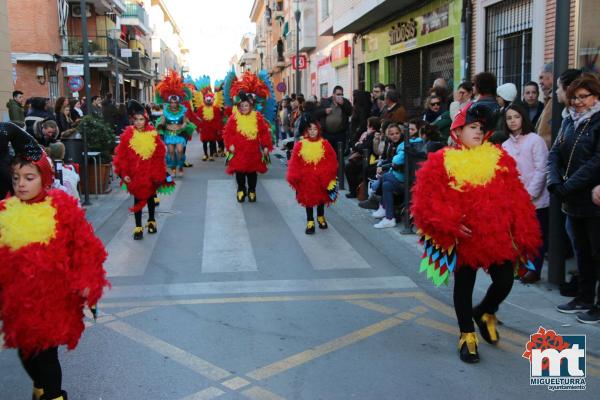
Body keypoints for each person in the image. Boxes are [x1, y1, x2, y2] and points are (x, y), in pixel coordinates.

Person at [411, 102, 540, 363]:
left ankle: (484, 312)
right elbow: (425, 204)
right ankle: (467, 335)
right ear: (457, 132)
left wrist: (521, 229)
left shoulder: (499, 158)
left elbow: (517, 197)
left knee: (504, 281)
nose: (478, 131)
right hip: (463, 238)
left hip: (495, 236)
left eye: (481, 127)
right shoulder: (442, 161)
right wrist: (450, 223)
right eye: (472, 126)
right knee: (464, 283)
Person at [0, 122, 109, 400]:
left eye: (28, 177)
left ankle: (54, 395)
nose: (21, 184)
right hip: (17, 300)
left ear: (44, 178)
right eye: (16, 178)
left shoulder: (61, 208)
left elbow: (85, 249)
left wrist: (89, 284)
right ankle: (40, 387)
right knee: (26, 352)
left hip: (53, 299)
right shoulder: (5, 211)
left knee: (47, 356)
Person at [549, 73, 600, 323]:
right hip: (572, 200)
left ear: (596, 96)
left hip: (593, 200)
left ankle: (597, 305)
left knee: (597, 254)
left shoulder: (598, 121)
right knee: (581, 254)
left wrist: (567, 186)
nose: (579, 102)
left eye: (584, 97)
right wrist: (555, 181)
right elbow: (555, 152)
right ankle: (584, 297)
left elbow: (596, 162)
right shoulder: (568, 120)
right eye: (575, 97)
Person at [501, 103, 549, 283]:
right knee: (518, 235)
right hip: (514, 201)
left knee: (536, 236)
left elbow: (542, 169)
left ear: (523, 118)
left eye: (516, 117)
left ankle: (534, 270)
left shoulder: (535, 140)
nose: (513, 121)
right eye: (509, 118)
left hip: (535, 200)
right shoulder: (505, 145)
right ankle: (520, 267)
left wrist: (529, 194)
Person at [113, 100, 172, 240]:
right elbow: (122, 157)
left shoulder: (153, 135)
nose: (139, 122)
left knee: (151, 197)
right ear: (133, 120)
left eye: (141, 119)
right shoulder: (127, 136)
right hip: (135, 175)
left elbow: (159, 154)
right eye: (136, 120)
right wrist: (124, 174)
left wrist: (158, 172)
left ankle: (151, 220)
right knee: (137, 198)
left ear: (146, 120)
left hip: (151, 173)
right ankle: (138, 226)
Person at [223, 71, 273, 202]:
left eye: (247, 105)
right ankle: (241, 189)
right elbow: (227, 133)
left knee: (252, 173)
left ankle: (252, 190)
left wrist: (266, 146)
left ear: (251, 106)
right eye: (242, 106)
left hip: (253, 151)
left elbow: (263, 132)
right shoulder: (234, 118)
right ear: (239, 107)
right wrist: (230, 145)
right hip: (238, 151)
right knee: (239, 172)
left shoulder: (257, 117)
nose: (244, 107)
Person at [287, 117, 338, 234]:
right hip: (306, 178)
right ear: (306, 131)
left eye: (315, 129)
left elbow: (332, 160)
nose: (313, 131)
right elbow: (295, 161)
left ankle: (320, 217)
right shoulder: (300, 144)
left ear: (318, 130)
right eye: (310, 129)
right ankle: (310, 221)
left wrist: (327, 175)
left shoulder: (325, 144)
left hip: (321, 178)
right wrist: (294, 175)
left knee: (321, 199)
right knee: (308, 200)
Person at [372, 123, 423, 229]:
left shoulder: (411, 143)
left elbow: (396, 160)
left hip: (408, 179)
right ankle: (389, 218)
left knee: (384, 177)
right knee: (386, 185)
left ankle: (381, 204)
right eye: (392, 134)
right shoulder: (399, 143)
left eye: (412, 129)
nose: (395, 135)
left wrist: (384, 167)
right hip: (400, 176)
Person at [155, 70, 196, 178]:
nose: (173, 104)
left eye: (175, 102)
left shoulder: (182, 111)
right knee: (171, 152)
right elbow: (163, 120)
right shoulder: (166, 111)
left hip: (179, 134)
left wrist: (184, 125)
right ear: (169, 102)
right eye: (171, 102)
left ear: (178, 102)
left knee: (180, 150)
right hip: (169, 134)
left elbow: (186, 120)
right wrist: (160, 125)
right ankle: (173, 168)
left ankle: (180, 166)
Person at [345, 116, 381, 198]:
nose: (366, 126)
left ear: (372, 126)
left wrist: (359, 144)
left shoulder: (373, 135)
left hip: (369, 160)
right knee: (350, 167)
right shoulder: (369, 134)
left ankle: (355, 191)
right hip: (364, 158)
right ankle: (354, 191)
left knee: (349, 168)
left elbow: (364, 147)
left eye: (368, 125)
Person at [315, 86, 352, 154]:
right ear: (333, 94)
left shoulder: (345, 101)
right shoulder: (325, 101)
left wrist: (343, 104)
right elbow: (316, 113)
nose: (340, 96)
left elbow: (350, 112)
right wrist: (324, 111)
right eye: (338, 94)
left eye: (341, 94)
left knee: (339, 155)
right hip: (327, 134)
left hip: (340, 134)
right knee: (327, 154)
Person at [193, 79, 224, 161]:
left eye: (210, 99)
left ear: (212, 100)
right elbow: (198, 119)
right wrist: (198, 127)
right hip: (204, 128)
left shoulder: (216, 109)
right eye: (207, 99)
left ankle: (211, 155)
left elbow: (218, 119)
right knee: (204, 142)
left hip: (212, 129)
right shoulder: (200, 109)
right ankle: (205, 154)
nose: (208, 100)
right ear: (204, 100)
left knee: (212, 142)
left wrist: (218, 129)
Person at [535, 63, 554, 148]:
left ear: (552, 76)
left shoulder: (557, 100)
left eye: (541, 77)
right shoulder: (549, 100)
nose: (540, 82)